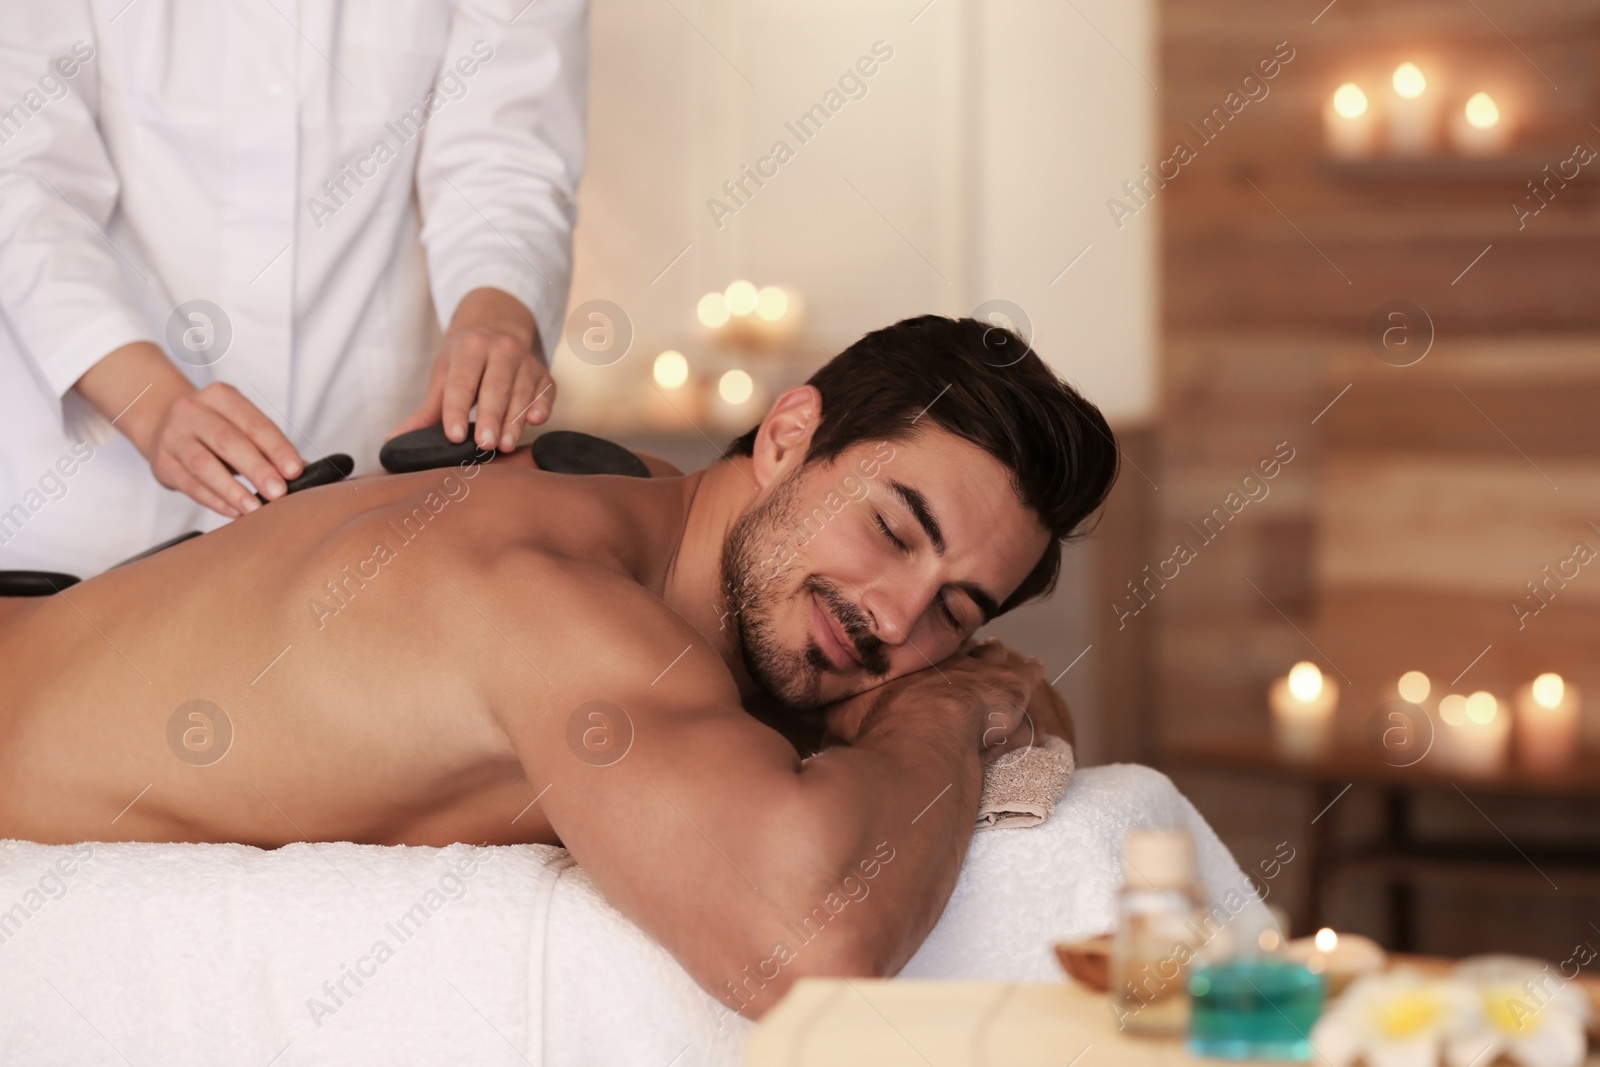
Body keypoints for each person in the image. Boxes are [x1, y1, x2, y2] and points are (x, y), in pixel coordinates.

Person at [0, 316, 1118, 1020]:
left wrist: (955, 680)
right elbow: (804, 940)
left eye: (952, 609)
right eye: (889, 525)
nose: (891, 614)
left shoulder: (658, 519)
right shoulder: (566, 606)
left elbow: (1038, 709)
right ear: (786, 435)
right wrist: (954, 697)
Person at [0, 1, 585, 575]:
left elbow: (505, 151)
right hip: (89, 513)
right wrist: (149, 405)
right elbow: (23, 172)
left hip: (365, 507)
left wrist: (496, 313)